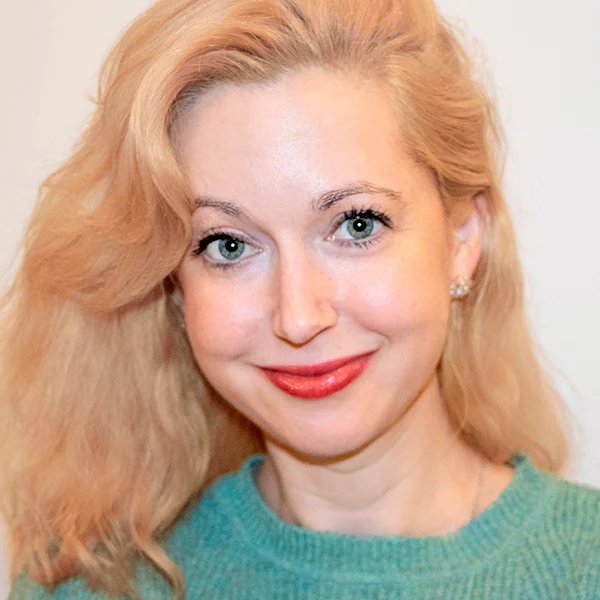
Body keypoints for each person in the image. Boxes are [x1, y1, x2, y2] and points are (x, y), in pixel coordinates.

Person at [1, 0, 599, 598]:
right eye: (229, 245)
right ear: (173, 286)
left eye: (357, 225)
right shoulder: (87, 585)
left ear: (463, 238)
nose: (298, 317)